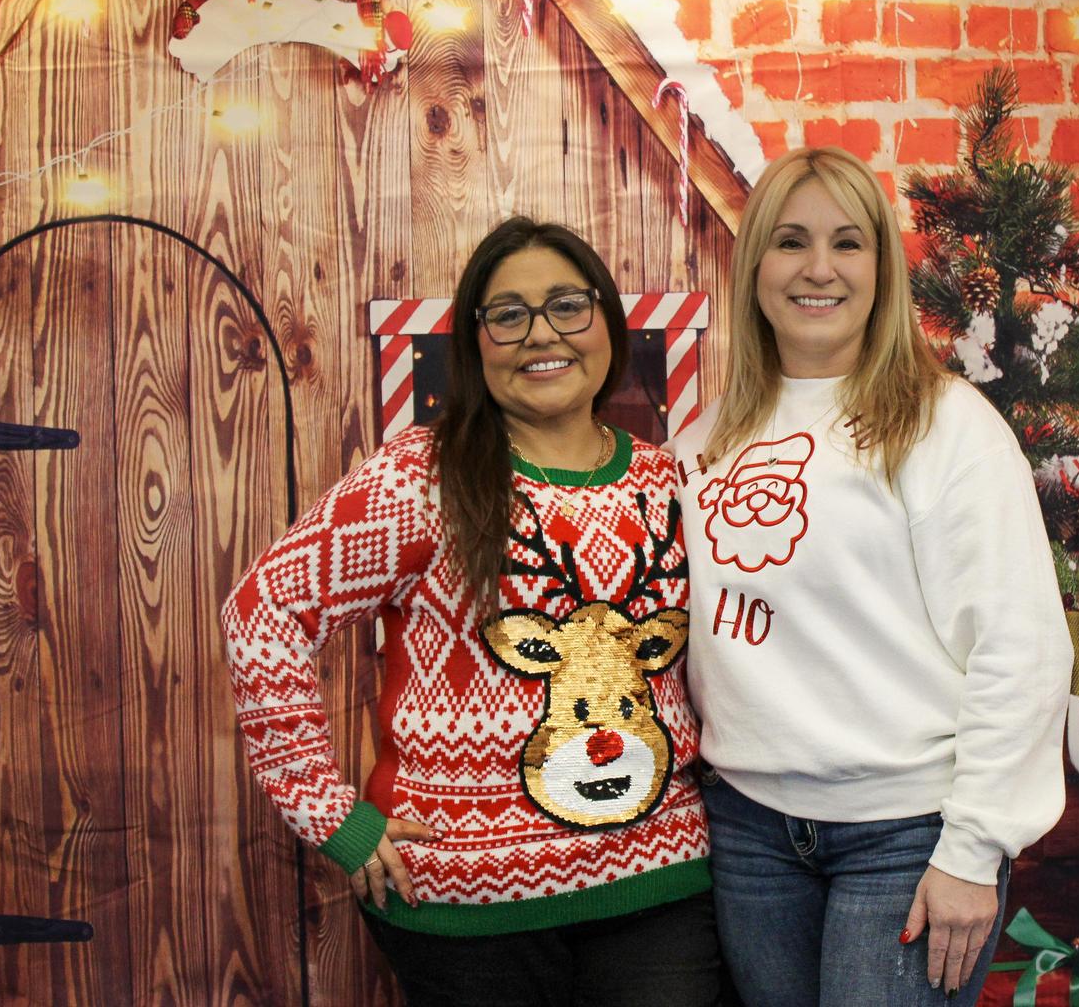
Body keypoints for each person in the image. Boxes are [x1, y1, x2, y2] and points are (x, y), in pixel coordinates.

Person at [222, 218, 724, 1006]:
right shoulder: (420, 478)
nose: (541, 334)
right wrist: (332, 817)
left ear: (607, 322)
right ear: (475, 341)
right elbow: (263, 613)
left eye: (568, 305)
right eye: (509, 315)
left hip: (659, 892)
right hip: (465, 914)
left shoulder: (673, 482)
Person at [670, 146, 1073, 1006]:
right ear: (754, 267)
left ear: (882, 269)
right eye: (791, 241)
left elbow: (1021, 647)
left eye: (847, 243)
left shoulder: (947, 426)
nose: (819, 268)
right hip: (748, 832)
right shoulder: (704, 440)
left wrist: (974, 849)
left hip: (907, 837)